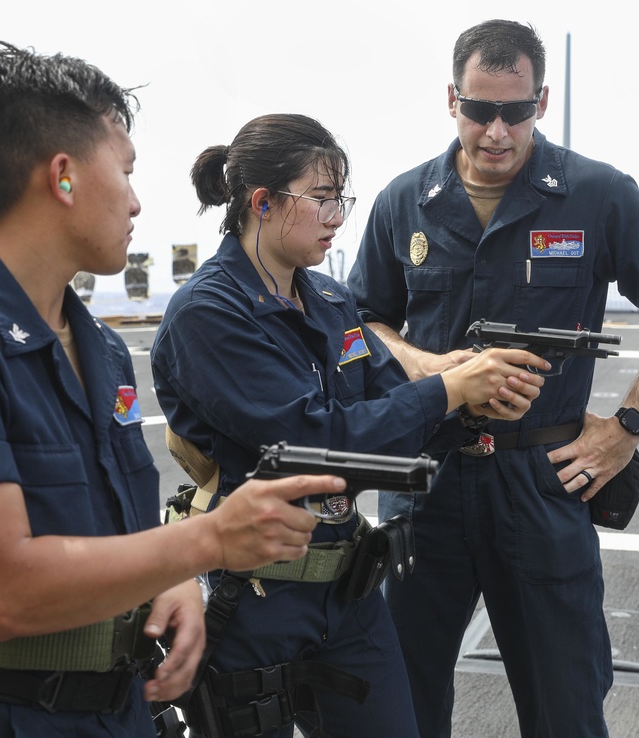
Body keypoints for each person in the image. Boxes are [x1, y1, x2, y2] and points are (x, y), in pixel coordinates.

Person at [0, 41, 342, 738]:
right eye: (126, 171)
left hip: (119, 712)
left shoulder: (100, 349)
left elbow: (118, 526)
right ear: (65, 177)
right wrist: (207, 542)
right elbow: (7, 592)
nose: (137, 201)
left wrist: (169, 583)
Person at [346, 19, 639, 738]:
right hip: (427, 484)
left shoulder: (595, 194)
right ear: (450, 99)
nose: (495, 132)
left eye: (514, 112)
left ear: (540, 103)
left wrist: (627, 428)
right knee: (399, 703)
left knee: (566, 707)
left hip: (540, 484)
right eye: (478, 110)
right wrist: (425, 365)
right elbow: (362, 318)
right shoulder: (403, 202)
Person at [150, 113, 549, 738]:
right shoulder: (209, 314)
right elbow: (310, 441)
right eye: (324, 198)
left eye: (343, 199)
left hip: (348, 590)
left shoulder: (333, 303)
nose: (339, 216)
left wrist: (475, 403)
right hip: (253, 598)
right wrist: (445, 390)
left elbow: (392, 412)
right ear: (263, 202)